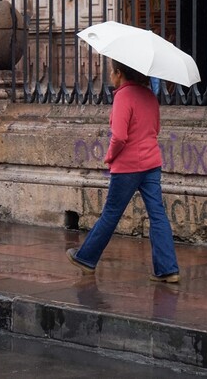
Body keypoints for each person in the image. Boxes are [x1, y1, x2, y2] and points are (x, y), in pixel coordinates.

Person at [66, 59, 180, 283]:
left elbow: (119, 136)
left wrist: (110, 156)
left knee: (111, 213)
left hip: (127, 166)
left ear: (119, 73)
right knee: (157, 215)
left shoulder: (123, 96)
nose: (110, 75)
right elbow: (155, 128)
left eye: (112, 71)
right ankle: (168, 270)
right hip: (151, 163)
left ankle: (86, 258)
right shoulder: (149, 95)